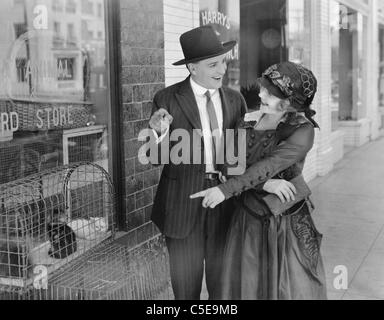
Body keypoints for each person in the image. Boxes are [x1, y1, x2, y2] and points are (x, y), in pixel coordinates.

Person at [191, 61, 327, 300]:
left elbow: (269, 166)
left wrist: (225, 190)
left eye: (269, 92)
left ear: (288, 101)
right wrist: (265, 184)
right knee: (245, 287)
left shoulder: (302, 131)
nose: (260, 93)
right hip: (246, 218)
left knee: (284, 288)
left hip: (283, 225)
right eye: (262, 87)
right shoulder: (250, 118)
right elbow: (227, 162)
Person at [146, 25, 247, 300]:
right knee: (186, 290)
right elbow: (155, 158)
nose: (222, 70)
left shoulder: (236, 101)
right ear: (192, 67)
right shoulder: (166, 99)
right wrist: (157, 133)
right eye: (213, 64)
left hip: (224, 203)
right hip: (181, 205)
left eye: (224, 61)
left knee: (223, 289)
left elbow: (238, 160)